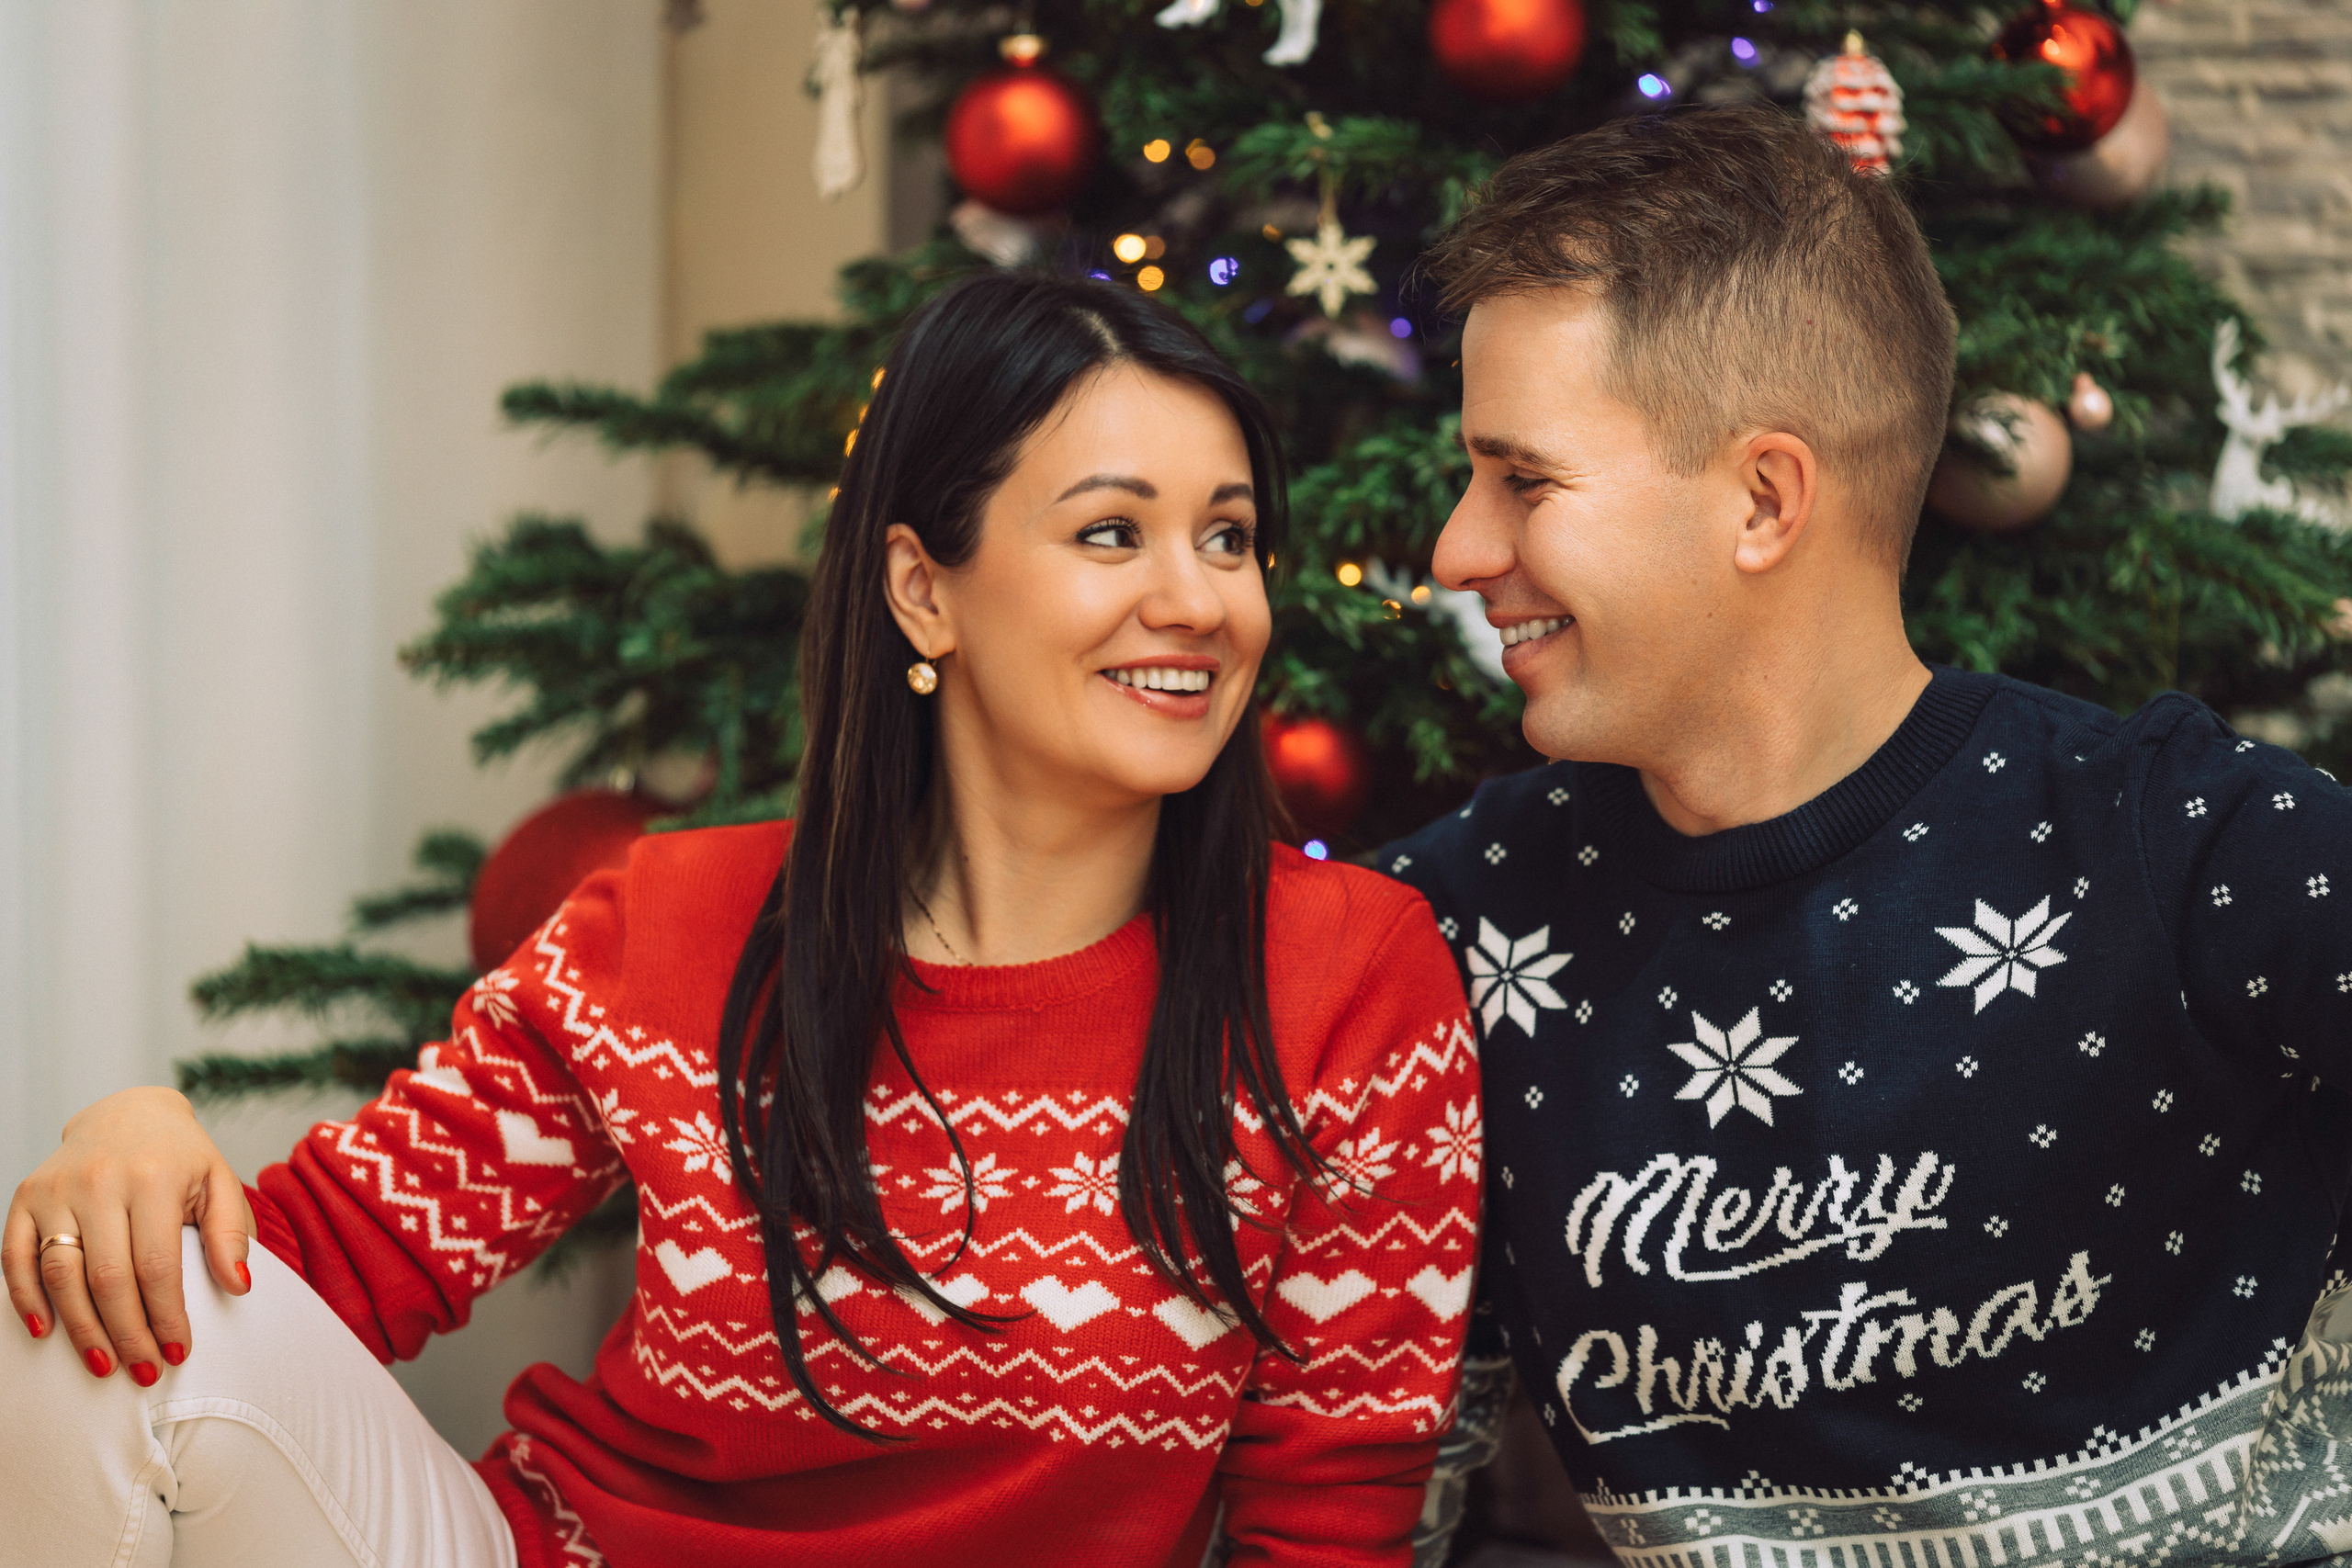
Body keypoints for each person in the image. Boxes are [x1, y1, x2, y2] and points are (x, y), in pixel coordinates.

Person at [1, 273, 1481, 1568]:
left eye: (1229, 539)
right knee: (82, 1327)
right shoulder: (668, 927)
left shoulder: (1347, 974)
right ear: (923, 593)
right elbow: (309, 1277)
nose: (1199, 598)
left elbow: (1324, 1526)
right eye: (1112, 535)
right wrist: (128, 1138)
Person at [1382, 103, 2352, 1564]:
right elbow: (1353, 1489)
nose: (1458, 549)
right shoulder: (1458, 932)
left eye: (1524, 480)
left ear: (1765, 499)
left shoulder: (2199, 849)